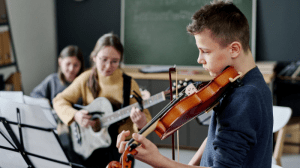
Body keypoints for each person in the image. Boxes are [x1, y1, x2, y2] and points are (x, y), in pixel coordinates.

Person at [116, 1, 273, 168]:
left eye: (205, 51)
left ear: (234, 49)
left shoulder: (245, 97)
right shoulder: (243, 82)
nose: (199, 59)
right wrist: (191, 164)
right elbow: (216, 138)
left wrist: (158, 160)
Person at [53, 32, 152, 168]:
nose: (107, 66)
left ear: (120, 60)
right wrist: (75, 115)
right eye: (103, 59)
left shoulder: (128, 83)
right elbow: (59, 100)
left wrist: (141, 123)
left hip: (120, 149)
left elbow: (146, 118)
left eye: (114, 61)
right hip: (91, 146)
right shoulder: (85, 78)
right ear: (94, 57)